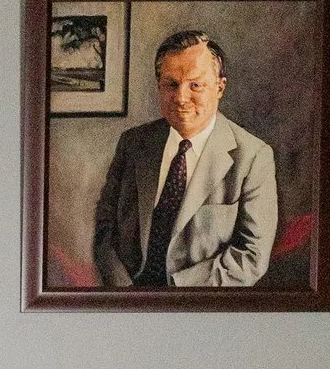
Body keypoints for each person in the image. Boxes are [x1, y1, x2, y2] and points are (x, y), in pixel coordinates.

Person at [93, 29, 277, 290]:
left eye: (195, 85)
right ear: (159, 86)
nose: (181, 98)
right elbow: (104, 230)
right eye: (171, 84)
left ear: (219, 88)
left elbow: (251, 257)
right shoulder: (133, 144)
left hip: (201, 309)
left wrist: (174, 294)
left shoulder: (253, 157)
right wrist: (125, 295)